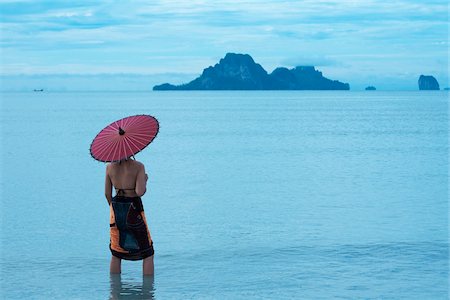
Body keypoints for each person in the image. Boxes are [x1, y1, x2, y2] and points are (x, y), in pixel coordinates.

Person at [105, 157, 154, 275]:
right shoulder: (139, 166)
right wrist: (145, 180)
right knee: (147, 253)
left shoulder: (109, 167)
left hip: (116, 209)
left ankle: (114, 291)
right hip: (134, 208)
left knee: (116, 253)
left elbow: (107, 193)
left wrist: (114, 209)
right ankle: (148, 292)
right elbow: (139, 192)